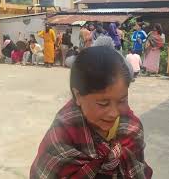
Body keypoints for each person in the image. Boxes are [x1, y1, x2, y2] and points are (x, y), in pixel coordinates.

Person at [30, 46, 153, 179]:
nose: (114, 113)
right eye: (103, 104)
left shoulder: (131, 128)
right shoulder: (64, 134)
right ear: (78, 96)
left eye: (122, 100)